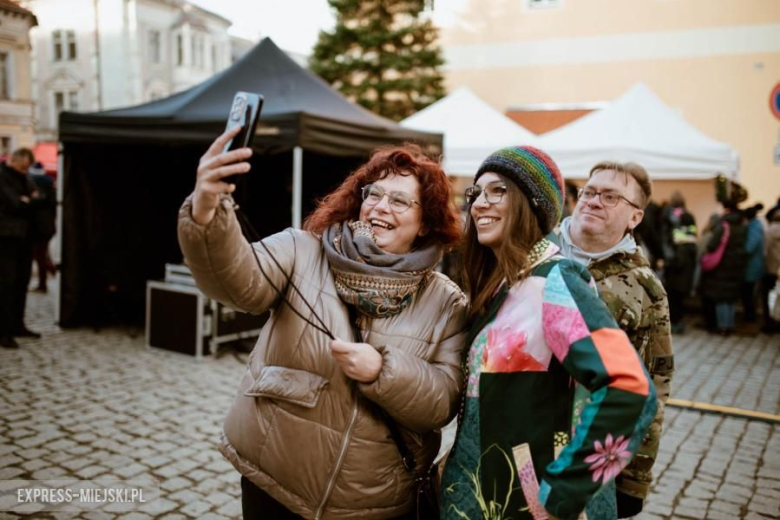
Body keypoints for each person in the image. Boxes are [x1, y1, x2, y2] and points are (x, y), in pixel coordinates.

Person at [177, 126, 468, 519]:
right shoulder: (302, 250)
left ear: (426, 223)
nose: (381, 207)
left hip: (371, 502)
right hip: (274, 480)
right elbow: (235, 281)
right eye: (374, 194)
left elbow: (444, 402)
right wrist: (208, 210)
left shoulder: (446, 301)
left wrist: (384, 370)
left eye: (400, 201)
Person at [440, 146, 657, 520]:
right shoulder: (504, 285)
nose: (479, 204)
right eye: (476, 193)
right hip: (483, 497)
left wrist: (565, 492)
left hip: (527, 504)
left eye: (498, 191)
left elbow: (630, 390)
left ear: (532, 204)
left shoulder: (554, 281)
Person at [557, 161, 673, 518]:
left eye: (610, 197)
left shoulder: (644, 288)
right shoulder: (534, 252)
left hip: (581, 447)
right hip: (516, 428)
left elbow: (654, 382)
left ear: (635, 217)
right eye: (589, 192)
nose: (593, 201)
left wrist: (633, 480)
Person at [0, 148, 41, 349]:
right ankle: (4, 331)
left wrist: (29, 200)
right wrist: (26, 200)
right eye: (23, 167)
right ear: (13, 160)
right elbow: (13, 204)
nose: (26, 171)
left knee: (21, 282)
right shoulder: (2, 176)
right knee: (6, 284)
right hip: (6, 238)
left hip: (25, 237)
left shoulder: (25, 178)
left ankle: (17, 324)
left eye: (28, 168)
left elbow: (41, 198)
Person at [700, 200, 747, 336]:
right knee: (731, 297)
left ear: (727, 210)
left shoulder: (723, 226)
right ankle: (730, 325)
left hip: (723, 265)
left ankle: (723, 327)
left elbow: (712, 245)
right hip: (737, 265)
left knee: (721, 297)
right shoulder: (742, 226)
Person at [660, 191, 697, 333]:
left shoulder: (671, 217)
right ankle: (679, 322)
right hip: (687, 263)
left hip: (676, 264)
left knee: (673, 297)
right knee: (679, 298)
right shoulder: (689, 216)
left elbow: (668, 240)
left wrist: (668, 261)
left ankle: (676, 323)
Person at [28, 162, 57, 293]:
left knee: (39, 255)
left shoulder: (34, 182)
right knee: (42, 254)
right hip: (47, 225)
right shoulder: (50, 183)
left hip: (38, 226)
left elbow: (35, 203)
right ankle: (51, 272)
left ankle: (44, 282)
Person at [742, 203, 765, 327]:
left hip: (752, 266)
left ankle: (749, 317)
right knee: (748, 293)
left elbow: (749, 247)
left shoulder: (754, 228)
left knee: (748, 293)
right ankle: (749, 316)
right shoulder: (755, 226)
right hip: (752, 265)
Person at [762, 210, 780, 333]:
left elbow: (765, 250)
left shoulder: (771, 230)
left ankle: (770, 323)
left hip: (772, 267)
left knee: (769, 297)